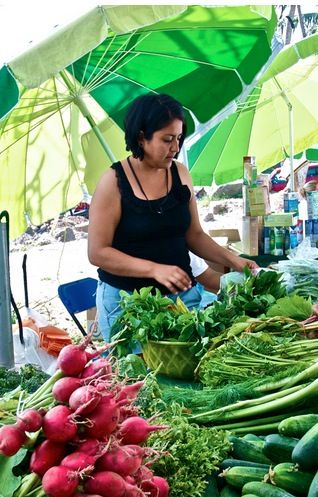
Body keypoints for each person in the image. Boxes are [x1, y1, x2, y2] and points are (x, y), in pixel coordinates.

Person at [88, 93, 257, 341]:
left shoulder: (180, 173)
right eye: (167, 140)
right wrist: (154, 270)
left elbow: (195, 235)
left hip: (182, 300)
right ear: (141, 137)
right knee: (137, 375)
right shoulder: (113, 182)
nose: (175, 148)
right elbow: (98, 252)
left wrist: (234, 260)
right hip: (126, 304)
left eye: (178, 138)